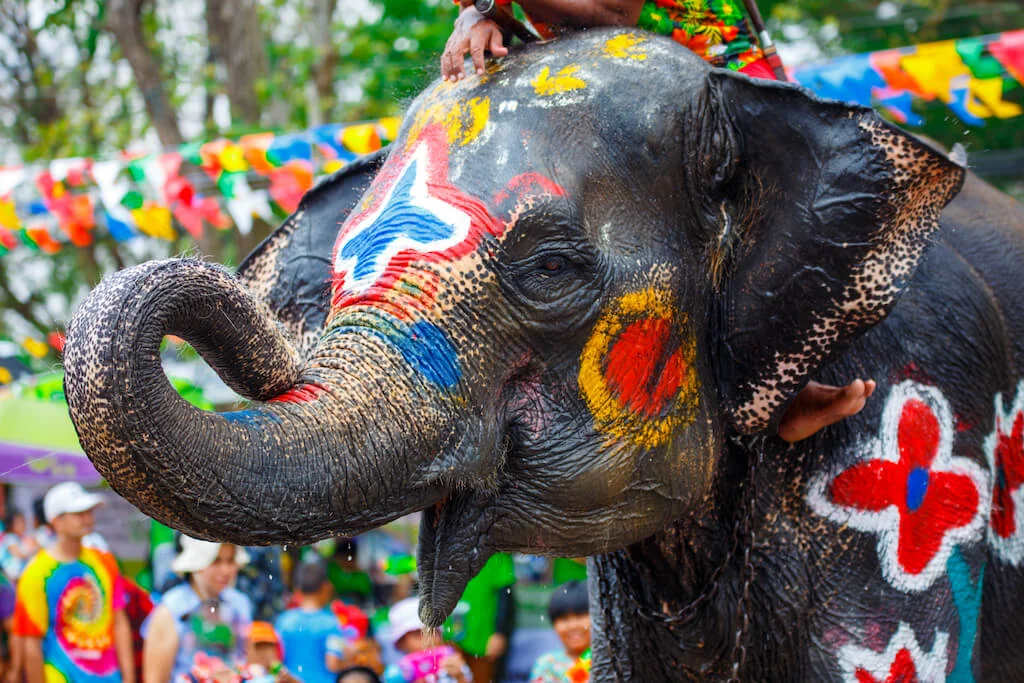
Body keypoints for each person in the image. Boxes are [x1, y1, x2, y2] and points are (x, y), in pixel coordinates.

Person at [12, 482, 135, 683]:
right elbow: (31, 643)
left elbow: (119, 621)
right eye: (78, 513)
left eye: (88, 512)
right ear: (56, 521)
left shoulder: (104, 560)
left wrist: (129, 678)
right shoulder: (36, 573)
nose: (87, 518)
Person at [141, 536, 253, 682]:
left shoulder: (240, 604)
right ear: (196, 563)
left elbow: (248, 661)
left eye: (230, 561)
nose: (225, 570)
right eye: (216, 561)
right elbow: (154, 679)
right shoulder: (171, 609)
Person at [442, 553, 515, 683]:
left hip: (482, 637)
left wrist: (500, 633)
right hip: (449, 634)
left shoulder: (495, 553)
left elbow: (505, 597)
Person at [274, 560, 347, 683]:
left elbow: (275, 659)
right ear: (325, 586)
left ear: (298, 589)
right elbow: (333, 663)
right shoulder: (330, 623)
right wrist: (350, 658)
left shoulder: (284, 621)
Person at [388, 597, 472, 683]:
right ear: (401, 644)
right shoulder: (399, 673)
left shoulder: (452, 662)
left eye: (432, 632)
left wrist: (460, 677)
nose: (427, 640)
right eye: (418, 635)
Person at [529, 581, 589, 683]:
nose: (573, 626)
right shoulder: (547, 665)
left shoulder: (611, 661)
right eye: (564, 618)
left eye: (580, 615)